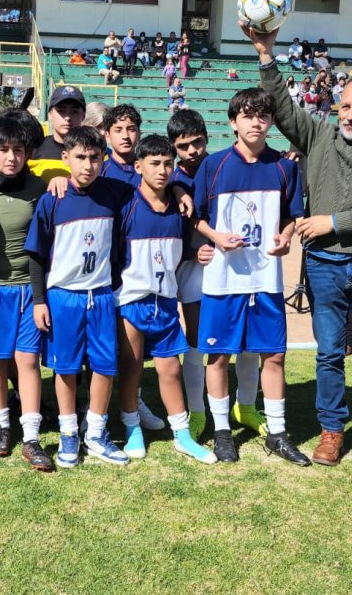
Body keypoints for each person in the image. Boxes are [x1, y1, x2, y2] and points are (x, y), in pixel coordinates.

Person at [248, 24, 352, 481]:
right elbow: (282, 108)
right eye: (345, 105)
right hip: (324, 265)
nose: (350, 114)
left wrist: (334, 221)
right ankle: (331, 431)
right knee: (328, 355)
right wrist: (266, 56)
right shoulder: (320, 137)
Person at [191, 88, 310, 466]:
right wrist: (214, 237)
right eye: (246, 115)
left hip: (265, 281)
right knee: (219, 356)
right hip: (222, 281)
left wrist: (286, 237)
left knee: (273, 356)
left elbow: (291, 217)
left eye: (261, 115)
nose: (255, 122)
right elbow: (194, 216)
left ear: (271, 121)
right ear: (233, 122)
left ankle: (277, 433)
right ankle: (223, 431)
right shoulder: (213, 165)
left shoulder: (284, 167)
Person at [26, 125, 132, 468]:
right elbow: (37, 255)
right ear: (65, 158)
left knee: (104, 366)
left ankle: (97, 432)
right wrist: (40, 299)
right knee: (66, 367)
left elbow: (151, 188)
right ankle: (69, 432)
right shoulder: (51, 199)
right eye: (80, 158)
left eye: (94, 158)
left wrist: (178, 190)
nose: (88, 165)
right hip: (63, 297)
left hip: (100, 295)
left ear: (104, 159)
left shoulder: (115, 193)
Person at [115, 135, 217, 464]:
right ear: (138, 166)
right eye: (154, 164)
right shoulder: (126, 204)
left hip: (165, 301)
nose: (162, 170)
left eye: (168, 164)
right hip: (131, 300)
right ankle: (132, 427)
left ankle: (182, 434)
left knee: (170, 369)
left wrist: (195, 250)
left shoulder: (179, 206)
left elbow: (171, 250)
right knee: (131, 368)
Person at [0, 117, 53, 468]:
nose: (11, 157)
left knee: (28, 360)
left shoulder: (39, 188)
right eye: (2, 150)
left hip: (30, 289)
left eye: (18, 150)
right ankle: (0, 427)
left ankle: (31, 436)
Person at [99, 104, 143, 188]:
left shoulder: (148, 169)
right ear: (107, 136)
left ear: (139, 134)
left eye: (131, 129)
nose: (125, 136)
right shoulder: (99, 171)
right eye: (118, 130)